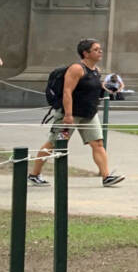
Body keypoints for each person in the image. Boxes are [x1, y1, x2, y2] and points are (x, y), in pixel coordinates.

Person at [28, 39, 123, 187]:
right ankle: (34, 174)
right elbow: (67, 91)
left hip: (89, 115)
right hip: (71, 115)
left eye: (100, 49)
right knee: (54, 143)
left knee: (98, 143)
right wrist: (68, 115)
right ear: (85, 53)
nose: (100, 52)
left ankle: (106, 177)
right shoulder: (77, 69)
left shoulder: (96, 70)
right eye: (96, 49)